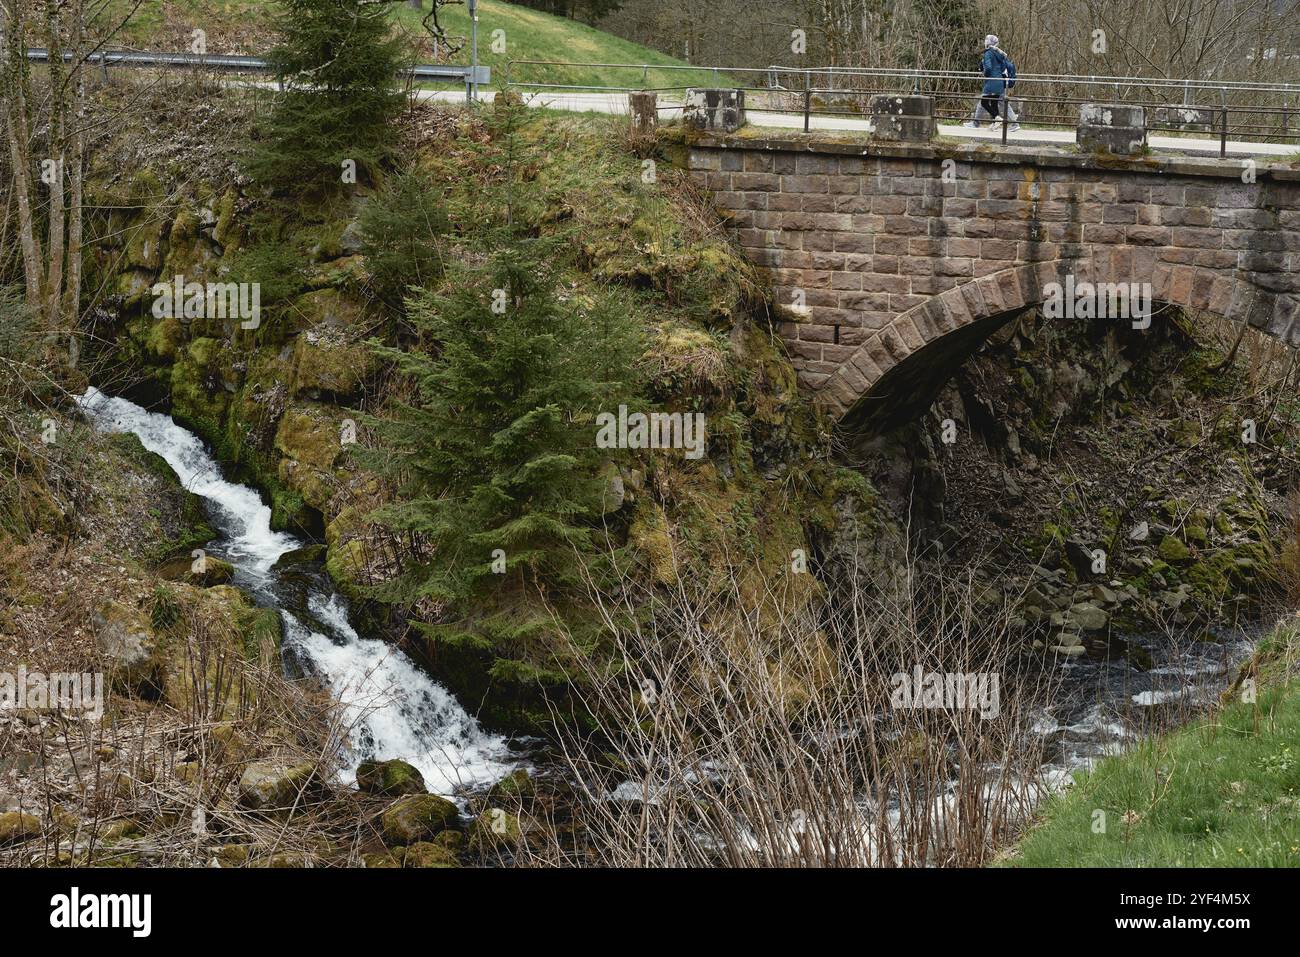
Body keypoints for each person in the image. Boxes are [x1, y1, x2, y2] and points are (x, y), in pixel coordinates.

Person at [964, 34, 1020, 131]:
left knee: (984, 102)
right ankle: (994, 122)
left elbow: (989, 68)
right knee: (994, 103)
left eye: (986, 40)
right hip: (999, 81)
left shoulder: (988, 53)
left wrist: (986, 74)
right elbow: (1000, 67)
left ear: (988, 42)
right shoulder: (998, 54)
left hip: (992, 82)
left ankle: (985, 121)